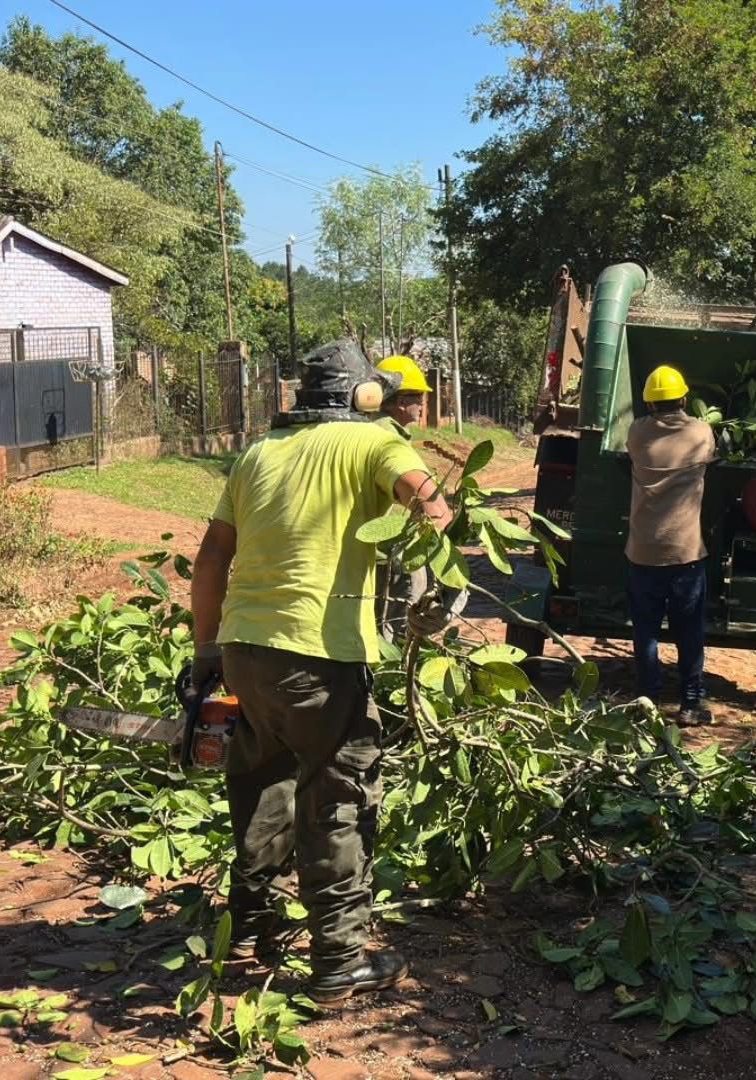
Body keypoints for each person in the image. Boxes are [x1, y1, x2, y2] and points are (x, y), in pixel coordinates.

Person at [190, 338, 454, 1006]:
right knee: (338, 793)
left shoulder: (257, 453)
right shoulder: (374, 441)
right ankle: (338, 960)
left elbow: (212, 557)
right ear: (366, 395)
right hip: (319, 655)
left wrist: (205, 654)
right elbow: (432, 507)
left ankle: (250, 929)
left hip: (245, 650)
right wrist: (438, 594)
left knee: (262, 777)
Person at [625, 364, 716, 726]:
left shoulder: (636, 433)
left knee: (645, 631)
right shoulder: (701, 432)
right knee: (688, 632)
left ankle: (648, 701)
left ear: (649, 404)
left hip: (643, 553)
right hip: (685, 554)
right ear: (684, 399)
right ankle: (690, 705)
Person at [372, 355, 432, 642]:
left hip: (383, 548)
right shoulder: (387, 437)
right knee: (395, 631)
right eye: (418, 397)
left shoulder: (380, 430)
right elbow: (422, 498)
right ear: (400, 401)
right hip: (393, 552)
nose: (422, 404)